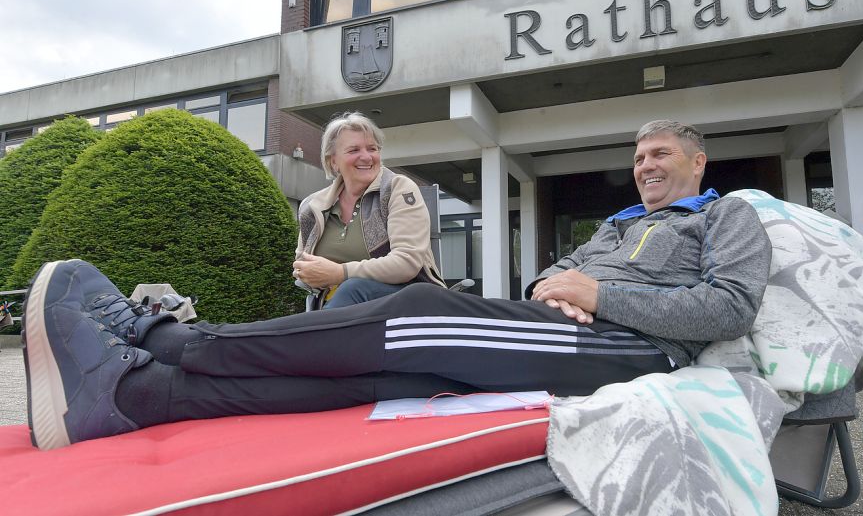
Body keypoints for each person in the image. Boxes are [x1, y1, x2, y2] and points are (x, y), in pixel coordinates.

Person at [22, 120, 772, 451]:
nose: (645, 165)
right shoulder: (614, 225)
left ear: (696, 163)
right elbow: (558, 272)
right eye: (639, 154)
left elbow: (728, 307)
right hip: (562, 326)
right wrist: (560, 282)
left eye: (661, 154)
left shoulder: (725, 216)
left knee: (414, 310)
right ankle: (137, 396)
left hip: (627, 347)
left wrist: (595, 294)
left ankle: (162, 336)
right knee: (388, 375)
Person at [292, 111, 444, 309]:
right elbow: (302, 267)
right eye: (354, 150)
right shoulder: (313, 206)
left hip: (408, 300)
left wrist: (341, 273)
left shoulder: (397, 189)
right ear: (333, 161)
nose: (366, 157)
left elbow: (407, 263)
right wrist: (311, 275)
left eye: (372, 148)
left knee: (353, 289)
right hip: (339, 307)